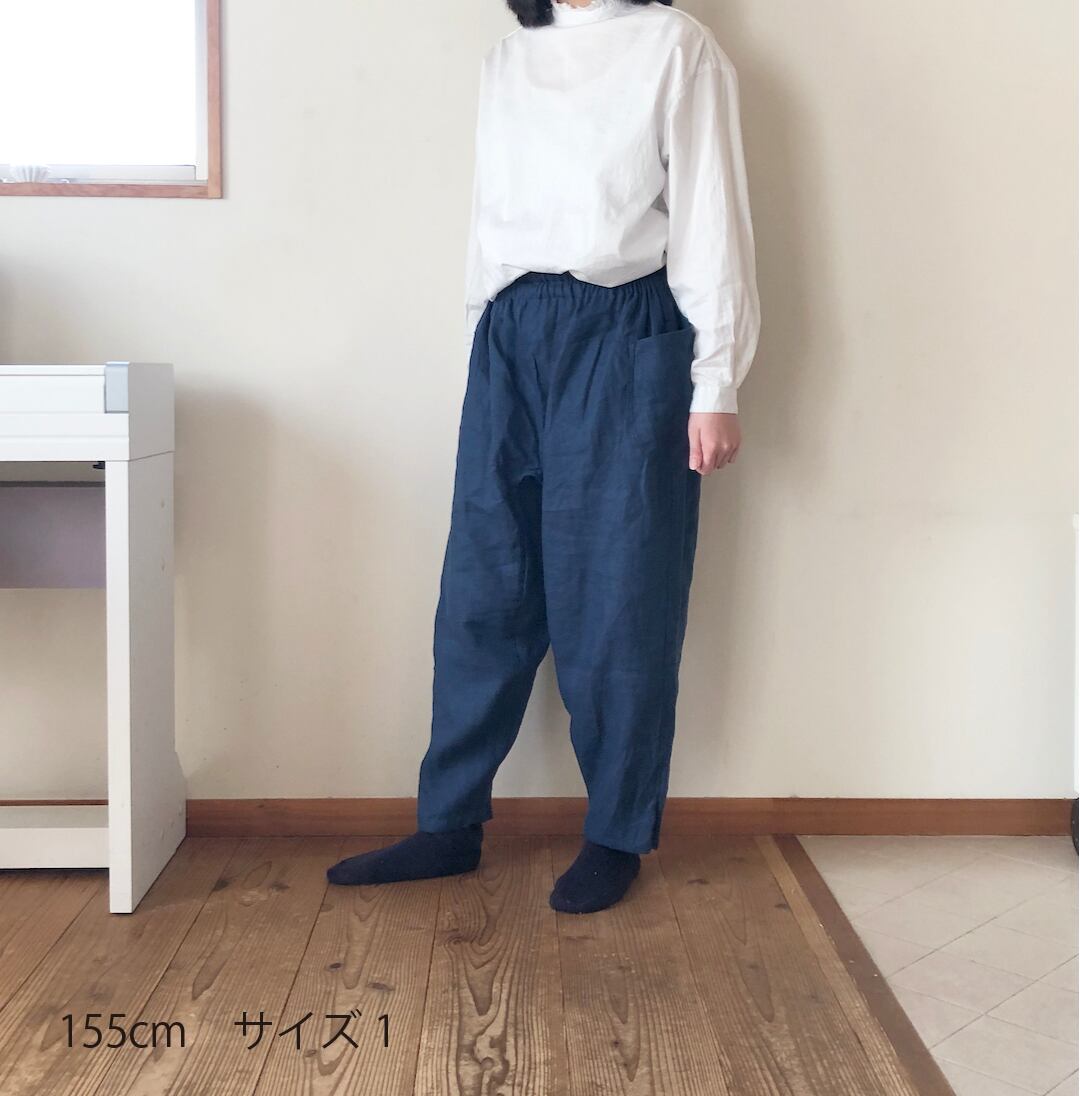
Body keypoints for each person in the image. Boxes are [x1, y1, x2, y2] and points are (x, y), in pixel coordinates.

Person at [328, 0, 760, 913]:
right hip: (510, 331)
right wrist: (479, 340)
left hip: (625, 327)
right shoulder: (508, 59)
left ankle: (616, 835)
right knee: (483, 588)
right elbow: (488, 216)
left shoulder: (676, 46)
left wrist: (716, 379)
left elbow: (712, 214)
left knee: (619, 593)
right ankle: (449, 823)